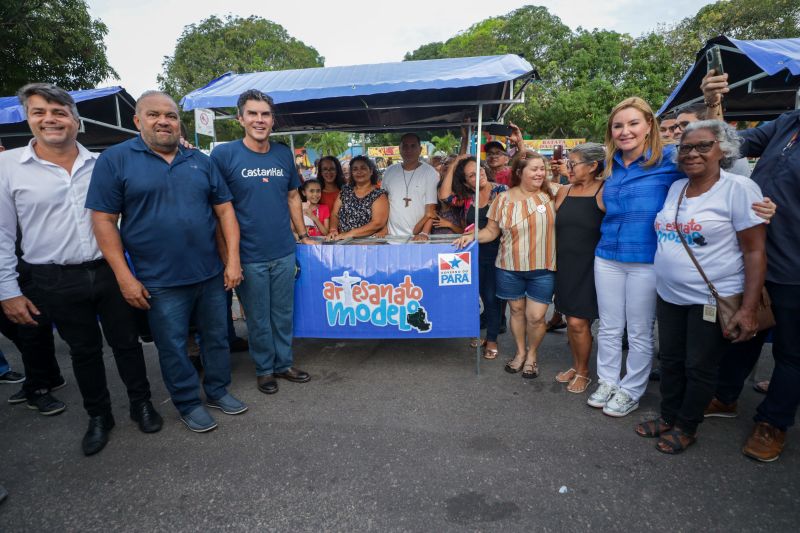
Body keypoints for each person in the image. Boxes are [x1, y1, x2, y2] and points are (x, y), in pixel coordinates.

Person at [1, 83, 162, 455]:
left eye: (59, 112)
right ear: (29, 118)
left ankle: (141, 404)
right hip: (54, 277)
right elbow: (2, 232)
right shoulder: (8, 167)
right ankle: (99, 416)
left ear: (75, 120)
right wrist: (8, 290)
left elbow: (149, 161)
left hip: (109, 269)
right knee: (83, 351)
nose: (50, 120)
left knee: (127, 344)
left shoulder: (104, 161)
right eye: (39, 112)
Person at [87, 90, 246, 433]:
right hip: (157, 280)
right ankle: (188, 403)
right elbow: (103, 220)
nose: (163, 121)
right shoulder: (115, 160)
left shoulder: (201, 161)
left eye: (171, 116)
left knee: (217, 338)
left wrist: (232, 260)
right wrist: (124, 277)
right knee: (172, 345)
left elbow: (224, 211)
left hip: (210, 274)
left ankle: (217, 390)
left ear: (179, 122)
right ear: (137, 120)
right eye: (154, 115)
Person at [635, 120, 766, 454]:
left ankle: (687, 425)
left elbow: (754, 251)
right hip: (669, 294)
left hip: (711, 297)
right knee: (672, 360)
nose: (692, 153)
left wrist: (749, 309)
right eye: (685, 148)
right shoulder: (676, 187)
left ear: (723, 150)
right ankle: (667, 416)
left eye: (703, 146)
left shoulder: (738, 189)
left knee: (699, 365)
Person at [702, 71, 800, 462]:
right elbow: (728, 147)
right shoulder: (788, 123)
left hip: (795, 267)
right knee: (745, 330)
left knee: (792, 353)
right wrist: (713, 103)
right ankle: (725, 398)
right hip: (756, 255)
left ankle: (773, 423)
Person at [210, 89, 313, 396]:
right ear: (240, 119)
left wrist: (303, 235)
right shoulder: (224, 155)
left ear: (272, 119)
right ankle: (264, 369)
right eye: (252, 113)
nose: (259, 119)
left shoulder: (283, 154)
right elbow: (217, 210)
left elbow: (294, 196)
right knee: (257, 317)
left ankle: (284, 364)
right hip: (247, 255)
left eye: (265, 114)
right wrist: (230, 259)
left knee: (283, 313)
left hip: (283, 250)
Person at [454, 150, 557, 378]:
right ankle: (521, 353)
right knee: (516, 312)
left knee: (536, 316)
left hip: (543, 268)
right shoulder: (502, 199)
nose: (540, 173)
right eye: (535, 169)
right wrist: (471, 236)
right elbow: (491, 231)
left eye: (542, 169)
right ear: (520, 172)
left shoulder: (554, 194)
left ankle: (533, 355)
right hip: (508, 266)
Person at [441, 155, 506, 359]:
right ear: (466, 181)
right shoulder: (469, 197)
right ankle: (477, 333)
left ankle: (492, 340)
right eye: (471, 174)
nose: (478, 175)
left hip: (495, 252)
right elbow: (445, 195)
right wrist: (454, 163)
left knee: (491, 298)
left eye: (479, 170)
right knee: (472, 298)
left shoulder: (500, 191)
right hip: (470, 255)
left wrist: (472, 235)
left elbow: (497, 227)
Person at [553, 143, 606, 393]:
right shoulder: (564, 190)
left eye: (573, 163)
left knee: (577, 322)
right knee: (568, 319)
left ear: (593, 166)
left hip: (590, 267)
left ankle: (584, 371)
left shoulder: (605, 191)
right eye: (568, 162)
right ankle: (575, 365)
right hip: (565, 266)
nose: (568, 167)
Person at [670, 102, 752, 177]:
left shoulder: (728, 155)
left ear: (707, 125)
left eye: (685, 124)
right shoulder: (677, 185)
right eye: (675, 127)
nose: (676, 131)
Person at [381, 133, 439, 239]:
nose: (409, 150)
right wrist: (383, 228)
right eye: (405, 146)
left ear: (420, 149)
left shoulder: (430, 172)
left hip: (418, 236)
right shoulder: (390, 171)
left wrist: (424, 233)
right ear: (399, 149)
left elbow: (431, 209)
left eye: (413, 146)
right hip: (391, 235)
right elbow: (383, 204)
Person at [328, 155, 388, 239]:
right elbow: (335, 214)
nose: (359, 171)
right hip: (343, 242)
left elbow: (377, 223)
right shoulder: (345, 191)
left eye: (363, 168)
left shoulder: (378, 194)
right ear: (351, 173)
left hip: (367, 245)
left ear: (371, 171)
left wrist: (350, 234)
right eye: (355, 169)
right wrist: (333, 229)